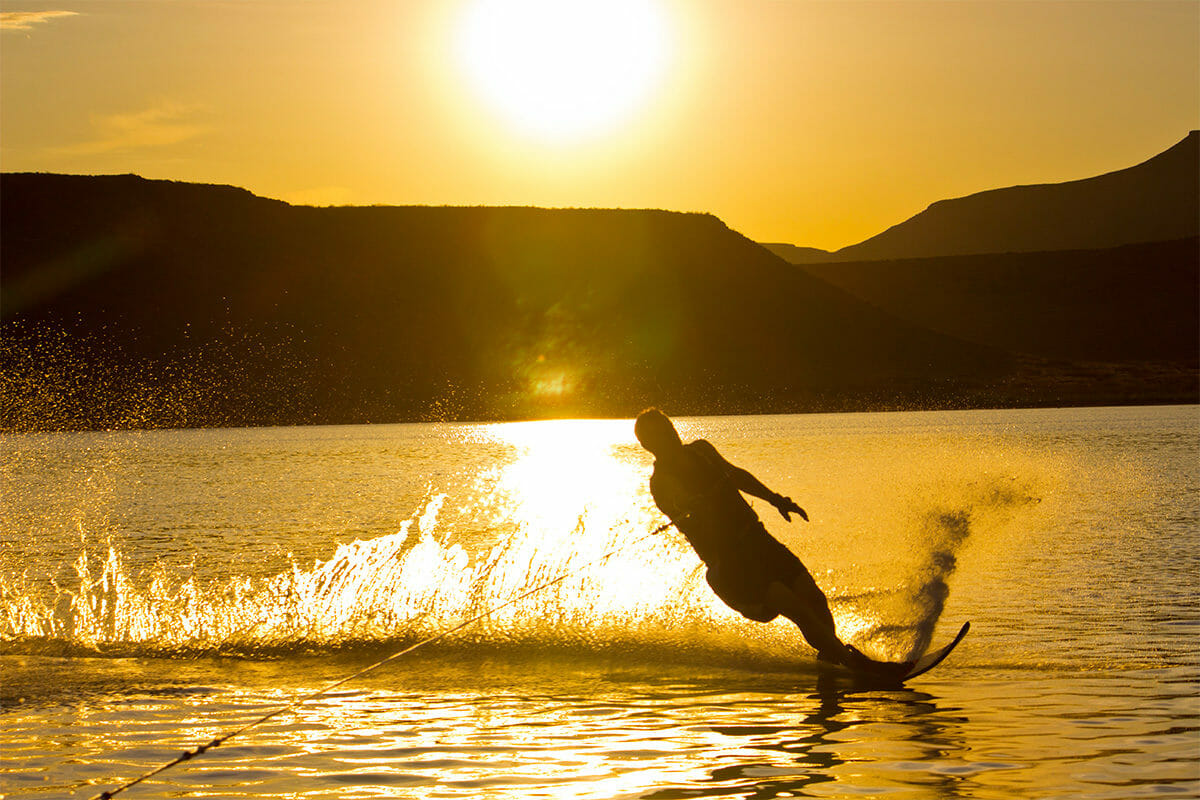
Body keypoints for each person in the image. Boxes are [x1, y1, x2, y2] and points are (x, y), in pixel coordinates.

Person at [635, 408, 902, 673]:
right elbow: (679, 503)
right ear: (652, 445)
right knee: (797, 608)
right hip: (731, 563)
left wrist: (775, 499)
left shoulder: (701, 450)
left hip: (758, 540)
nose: (673, 435)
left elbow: (736, 474)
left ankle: (832, 664)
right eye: (664, 434)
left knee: (815, 598)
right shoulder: (661, 482)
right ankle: (854, 663)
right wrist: (693, 503)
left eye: (670, 428)